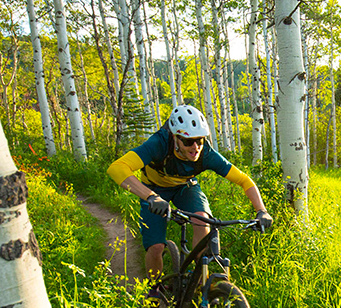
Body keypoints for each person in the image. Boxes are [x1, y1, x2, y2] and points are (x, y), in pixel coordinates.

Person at [107, 104, 272, 277]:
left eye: (199, 140)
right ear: (175, 137)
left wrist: (262, 211)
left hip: (185, 187)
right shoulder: (159, 144)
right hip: (154, 190)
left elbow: (245, 180)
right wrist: (150, 197)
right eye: (188, 141)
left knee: (202, 219)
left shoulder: (206, 154)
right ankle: (153, 290)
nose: (195, 147)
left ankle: (200, 278)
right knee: (156, 247)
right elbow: (117, 168)